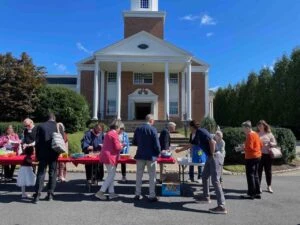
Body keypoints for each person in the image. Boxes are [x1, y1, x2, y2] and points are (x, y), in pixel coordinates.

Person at [193, 120, 227, 214]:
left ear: (192, 127)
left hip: (215, 156)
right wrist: (180, 149)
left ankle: (222, 206)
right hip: (210, 157)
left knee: (215, 180)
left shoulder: (201, 131)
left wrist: (211, 154)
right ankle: (206, 197)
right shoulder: (198, 134)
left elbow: (213, 142)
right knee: (204, 176)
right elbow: (192, 144)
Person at [32, 113, 64, 203]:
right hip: (54, 152)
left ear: (47, 118)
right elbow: (62, 140)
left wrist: (37, 155)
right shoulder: (58, 126)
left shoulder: (40, 126)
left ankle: (37, 195)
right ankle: (50, 194)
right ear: (54, 118)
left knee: (41, 173)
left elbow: (37, 142)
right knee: (52, 173)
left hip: (42, 153)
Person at [132, 114, 161, 202]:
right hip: (151, 156)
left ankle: (137, 194)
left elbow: (134, 142)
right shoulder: (153, 129)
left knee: (139, 175)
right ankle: (152, 195)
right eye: (154, 120)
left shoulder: (138, 129)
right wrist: (159, 152)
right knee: (152, 176)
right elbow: (156, 144)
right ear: (151, 120)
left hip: (140, 154)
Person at [95, 120, 124, 200]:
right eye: (120, 128)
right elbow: (117, 147)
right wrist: (122, 146)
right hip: (111, 157)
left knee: (111, 175)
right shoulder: (114, 134)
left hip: (105, 156)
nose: (120, 130)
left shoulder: (108, 133)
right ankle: (100, 192)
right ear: (117, 127)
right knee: (111, 175)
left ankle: (111, 193)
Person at [240, 120, 262, 200]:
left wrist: (243, 148)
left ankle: (251, 194)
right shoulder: (255, 134)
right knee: (255, 175)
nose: (243, 130)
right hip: (257, 156)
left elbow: (250, 147)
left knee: (250, 175)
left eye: (244, 128)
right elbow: (261, 144)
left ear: (248, 128)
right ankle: (257, 192)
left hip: (251, 157)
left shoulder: (249, 135)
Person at [257, 120, 277, 193]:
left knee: (268, 171)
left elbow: (275, 143)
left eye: (261, 125)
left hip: (268, 155)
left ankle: (269, 186)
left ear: (264, 126)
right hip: (259, 155)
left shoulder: (269, 134)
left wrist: (269, 143)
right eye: (258, 125)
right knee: (259, 171)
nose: (259, 127)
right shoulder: (256, 134)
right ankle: (258, 186)